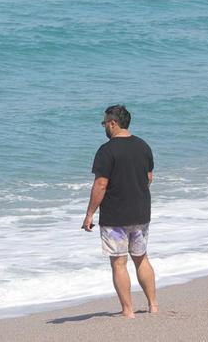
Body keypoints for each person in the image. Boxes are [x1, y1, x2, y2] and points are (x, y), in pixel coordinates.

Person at [81, 105, 158, 318]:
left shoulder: (107, 150)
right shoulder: (143, 146)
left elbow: (100, 185)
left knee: (119, 262)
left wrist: (89, 214)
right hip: (141, 213)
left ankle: (128, 310)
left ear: (113, 123)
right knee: (141, 258)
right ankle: (153, 305)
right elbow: (149, 177)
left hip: (115, 217)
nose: (104, 126)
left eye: (104, 122)